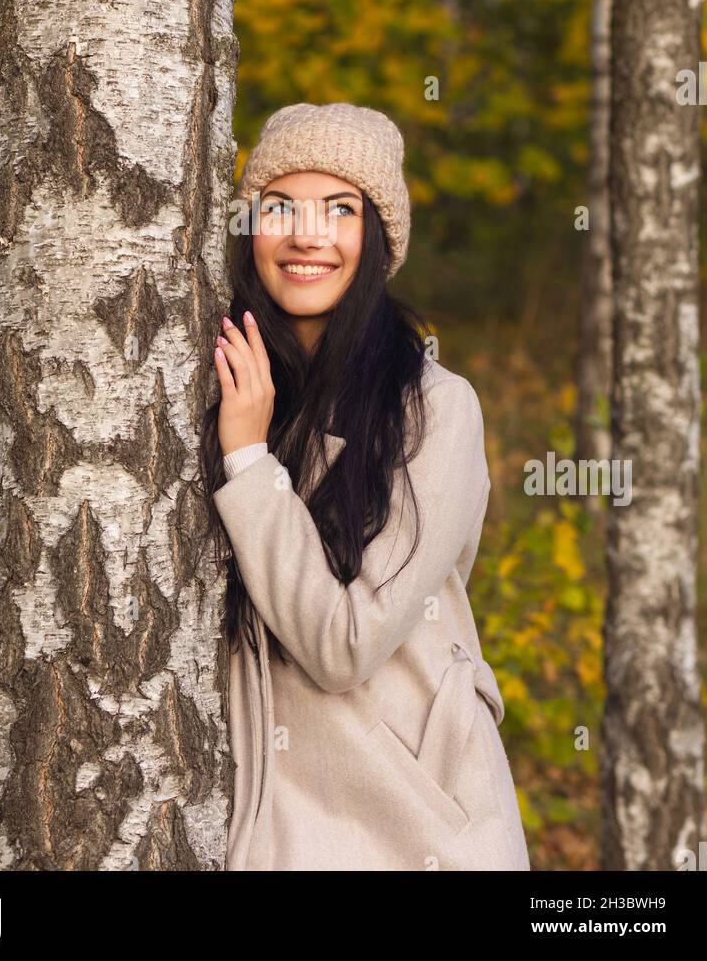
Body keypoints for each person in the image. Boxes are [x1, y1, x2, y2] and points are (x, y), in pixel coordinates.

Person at [199, 101, 530, 871]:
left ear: (376, 238)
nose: (307, 234)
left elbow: (344, 646)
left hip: (416, 831)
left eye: (339, 210)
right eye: (278, 206)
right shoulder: (227, 384)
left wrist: (248, 463)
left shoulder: (437, 412)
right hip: (267, 829)